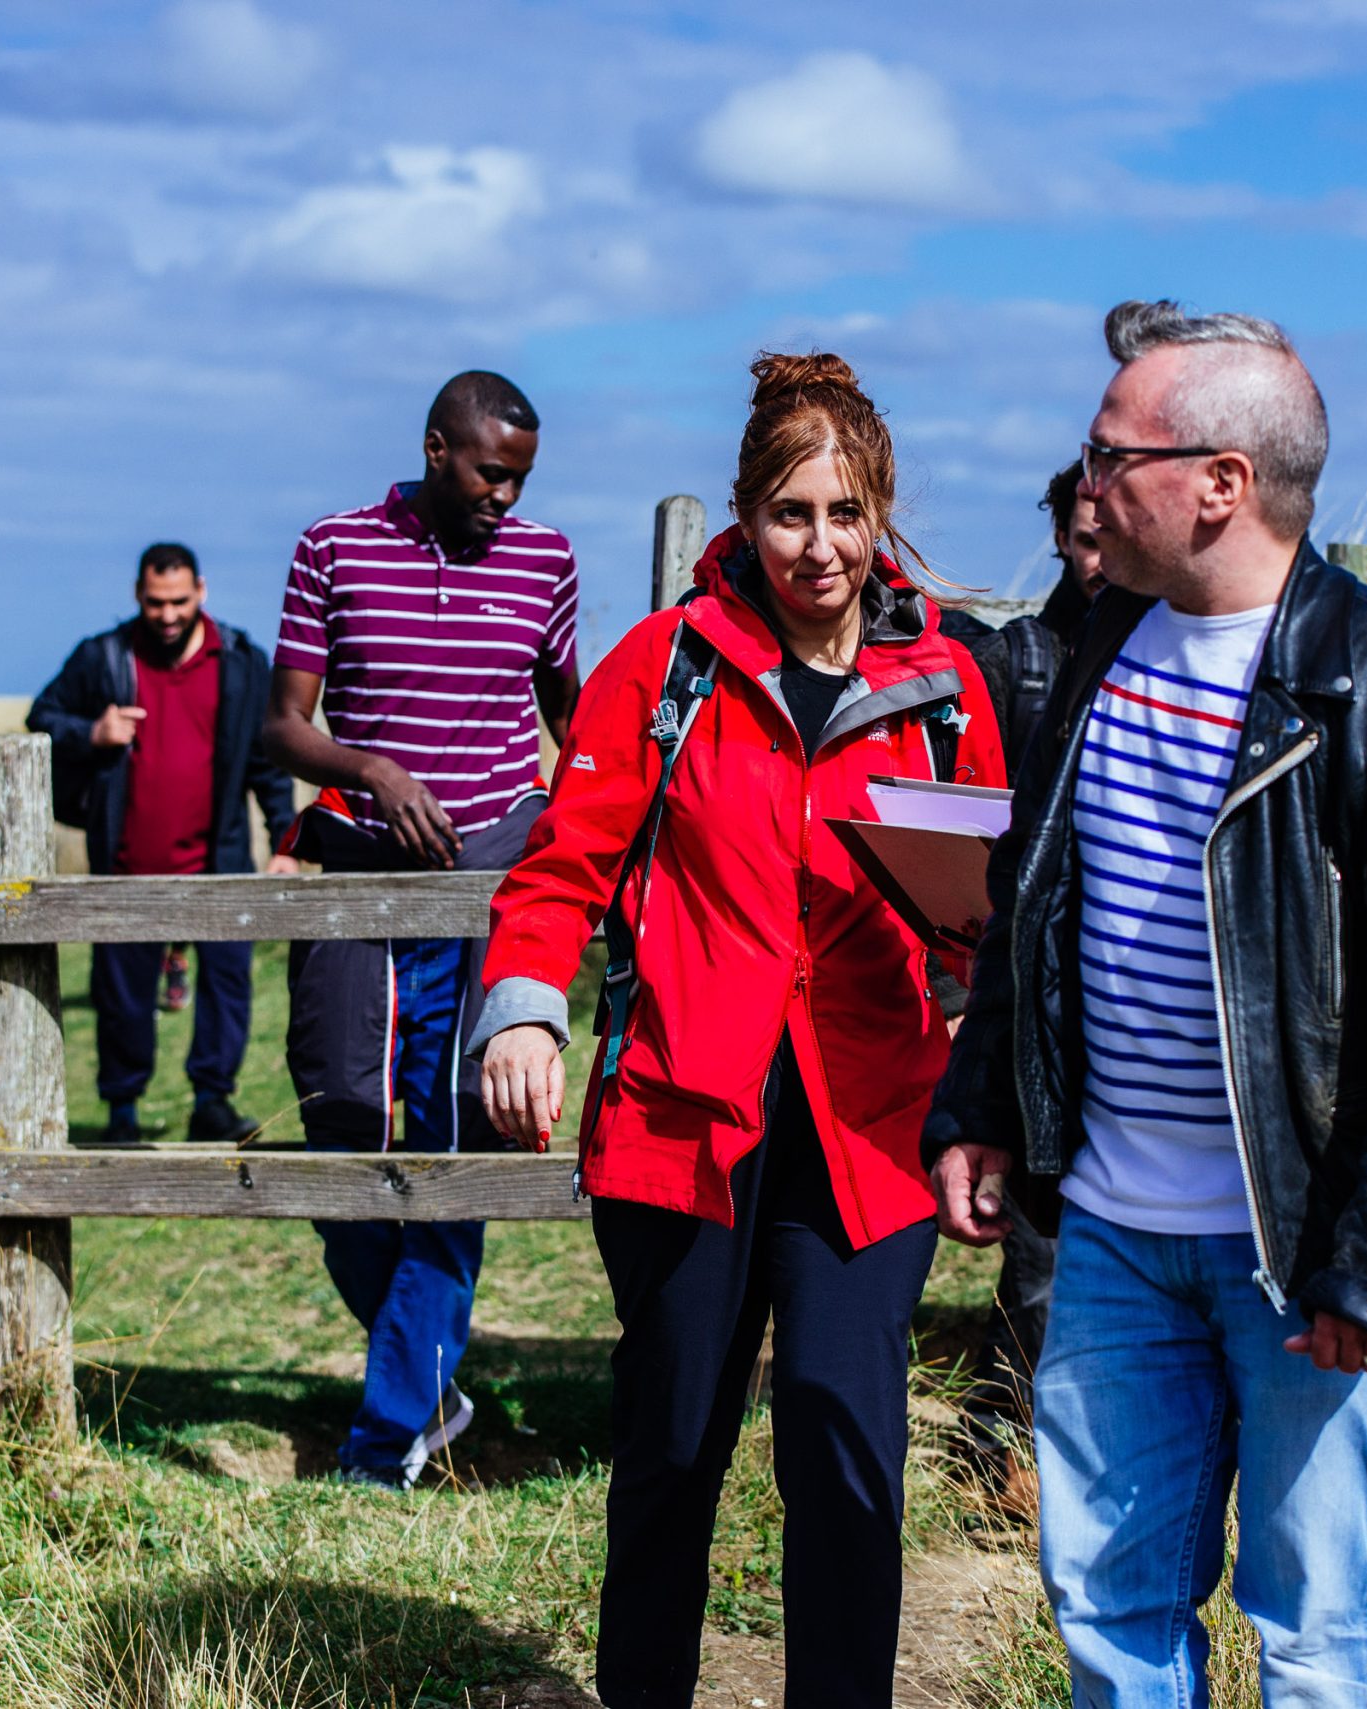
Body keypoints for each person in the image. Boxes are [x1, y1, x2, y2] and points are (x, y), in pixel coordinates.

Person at [923, 301, 1367, 1707]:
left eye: (1110, 453)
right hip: (1114, 1239)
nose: (1086, 484)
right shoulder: (1093, 652)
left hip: (1302, 1258)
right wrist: (981, 1104)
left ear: (1221, 484)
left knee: (1320, 1634)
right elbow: (1036, 908)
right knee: (1108, 1610)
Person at [474, 352, 1008, 1709]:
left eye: (843, 514)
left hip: (869, 1128)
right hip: (681, 1118)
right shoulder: (667, 669)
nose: (817, 547)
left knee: (845, 1443)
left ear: (879, 514)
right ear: (744, 512)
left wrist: (977, 1001)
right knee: (671, 1446)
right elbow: (559, 869)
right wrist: (524, 1012)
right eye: (789, 513)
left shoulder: (947, 690)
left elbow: (988, 909)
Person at [263, 370, 581, 1490]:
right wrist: (370, 768)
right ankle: (433, 1376)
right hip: (355, 867)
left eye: (522, 478)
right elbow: (283, 724)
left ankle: (382, 1433)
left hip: (491, 874)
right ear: (437, 448)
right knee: (340, 1124)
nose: (506, 494)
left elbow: (567, 717)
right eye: (491, 471)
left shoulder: (546, 561)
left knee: (460, 1139)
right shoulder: (335, 547)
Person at [941, 461, 1107, 1504]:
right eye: (1079, 535)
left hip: (1127, 988)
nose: (1096, 556)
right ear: (1055, 533)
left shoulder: (1162, 651)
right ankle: (1020, 1447)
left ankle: (1017, 1423)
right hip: (1029, 980)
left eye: (1111, 533)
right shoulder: (1017, 661)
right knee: (1038, 1237)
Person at [27, 542, 298, 1146]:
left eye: (179, 601)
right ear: (137, 595)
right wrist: (92, 731)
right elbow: (42, 715)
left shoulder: (240, 662)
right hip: (127, 863)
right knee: (121, 995)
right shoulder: (103, 657)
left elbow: (266, 760)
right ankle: (122, 1112)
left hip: (220, 862)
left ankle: (213, 1102)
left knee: (227, 985)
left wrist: (284, 837)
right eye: (156, 603)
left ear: (200, 591)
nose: (168, 615)